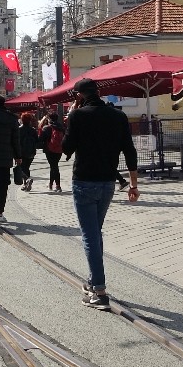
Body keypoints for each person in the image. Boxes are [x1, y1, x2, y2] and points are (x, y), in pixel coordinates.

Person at [61, 78, 139, 311]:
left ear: (80, 96)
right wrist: (133, 185)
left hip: (84, 181)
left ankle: (100, 292)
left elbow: (66, 148)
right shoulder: (118, 116)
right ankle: (93, 280)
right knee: (95, 234)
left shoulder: (78, 116)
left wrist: (72, 119)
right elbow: (129, 150)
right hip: (107, 183)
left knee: (90, 236)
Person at [39, 113, 65, 192]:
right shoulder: (62, 127)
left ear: (49, 119)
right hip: (59, 149)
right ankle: (51, 184)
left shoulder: (47, 128)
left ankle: (57, 186)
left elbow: (40, 139)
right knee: (54, 166)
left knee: (54, 167)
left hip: (49, 150)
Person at [18, 112, 39, 191]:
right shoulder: (33, 130)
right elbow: (37, 141)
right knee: (26, 167)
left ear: (22, 120)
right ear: (30, 120)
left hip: (21, 152)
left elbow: (16, 141)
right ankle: (26, 183)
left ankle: (26, 181)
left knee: (21, 168)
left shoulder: (19, 129)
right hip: (31, 152)